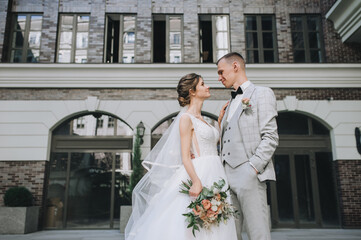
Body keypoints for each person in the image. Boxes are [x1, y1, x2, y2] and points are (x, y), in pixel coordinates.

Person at [125, 73, 237, 240]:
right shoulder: (186, 119)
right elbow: (185, 156)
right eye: (203, 84)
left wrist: (219, 122)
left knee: (217, 223)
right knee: (197, 224)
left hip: (216, 172)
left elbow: (210, 143)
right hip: (200, 172)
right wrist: (197, 181)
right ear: (192, 91)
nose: (208, 87)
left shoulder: (203, 119)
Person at [217, 52, 279, 240]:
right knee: (230, 234)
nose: (219, 77)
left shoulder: (262, 93)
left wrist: (252, 168)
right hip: (225, 177)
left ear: (235, 66)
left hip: (250, 174)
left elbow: (270, 136)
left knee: (257, 233)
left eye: (221, 72)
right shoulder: (228, 105)